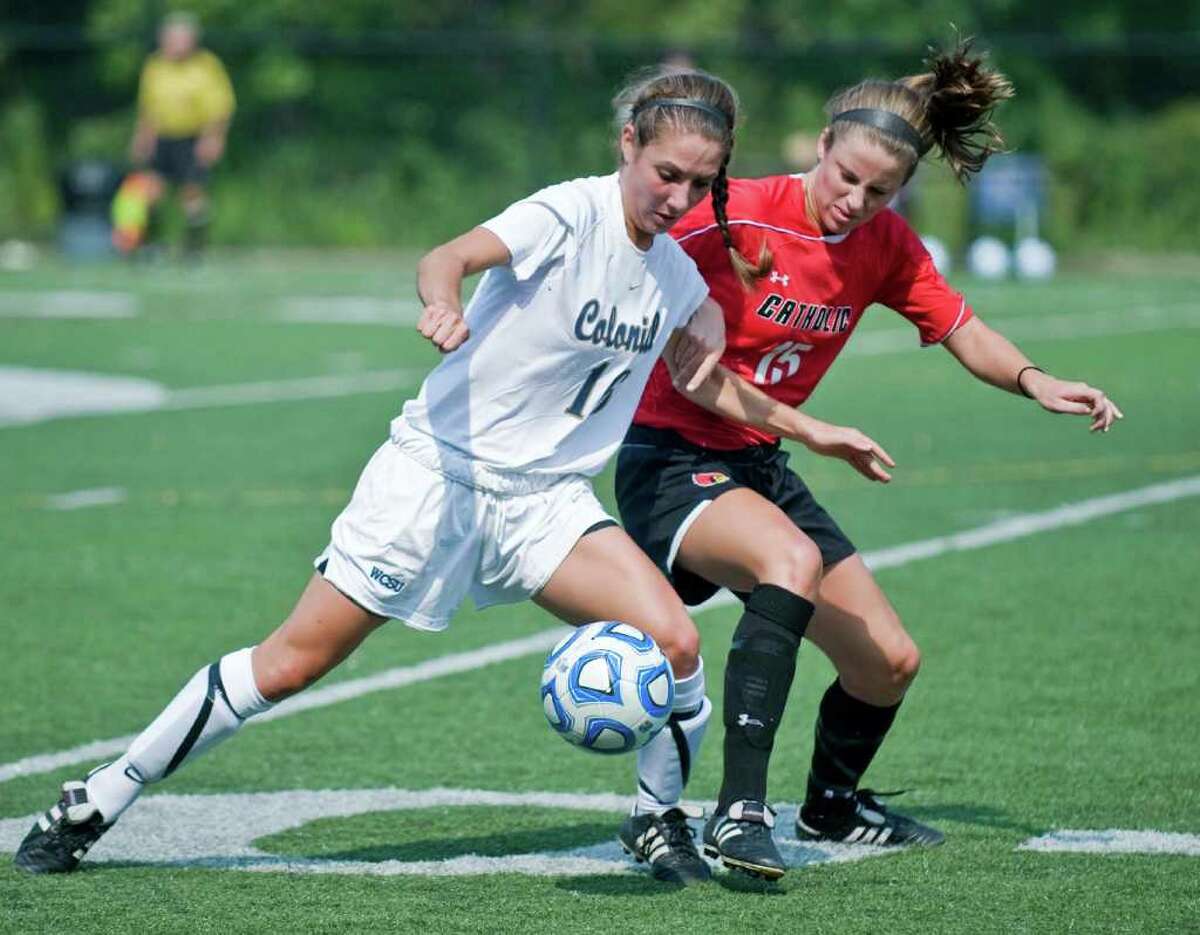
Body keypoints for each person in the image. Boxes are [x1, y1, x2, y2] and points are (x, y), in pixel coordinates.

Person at [15, 67, 741, 885]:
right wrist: (442, 301)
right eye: (666, 173)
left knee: (676, 642)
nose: (678, 196)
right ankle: (101, 794)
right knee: (288, 664)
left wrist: (711, 314)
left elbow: (693, 306)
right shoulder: (569, 212)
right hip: (437, 477)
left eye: (699, 183)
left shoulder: (676, 273)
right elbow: (448, 255)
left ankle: (657, 818)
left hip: (544, 503)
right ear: (628, 146)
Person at [615, 39, 1123, 879]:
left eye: (879, 189)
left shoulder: (886, 244)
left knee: (886, 661)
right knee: (789, 559)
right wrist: (816, 432)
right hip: (670, 456)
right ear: (820, 145)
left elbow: (963, 329)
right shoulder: (733, 213)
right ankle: (739, 812)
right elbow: (692, 375)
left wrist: (1036, 380)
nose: (854, 199)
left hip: (757, 460)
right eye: (845, 176)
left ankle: (831, 805)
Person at [126, 12, 235, 257]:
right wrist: (142, 137)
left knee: (192, 194)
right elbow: (147, 107)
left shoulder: (207, 66)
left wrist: (213, 138)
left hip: (193, 138)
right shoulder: (155, 65)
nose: (174, 44)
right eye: (170, 38)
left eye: (180, 38)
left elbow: (220, 107)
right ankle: (152, 246)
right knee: (151, 193)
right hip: (162, 137)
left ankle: (193, 249)